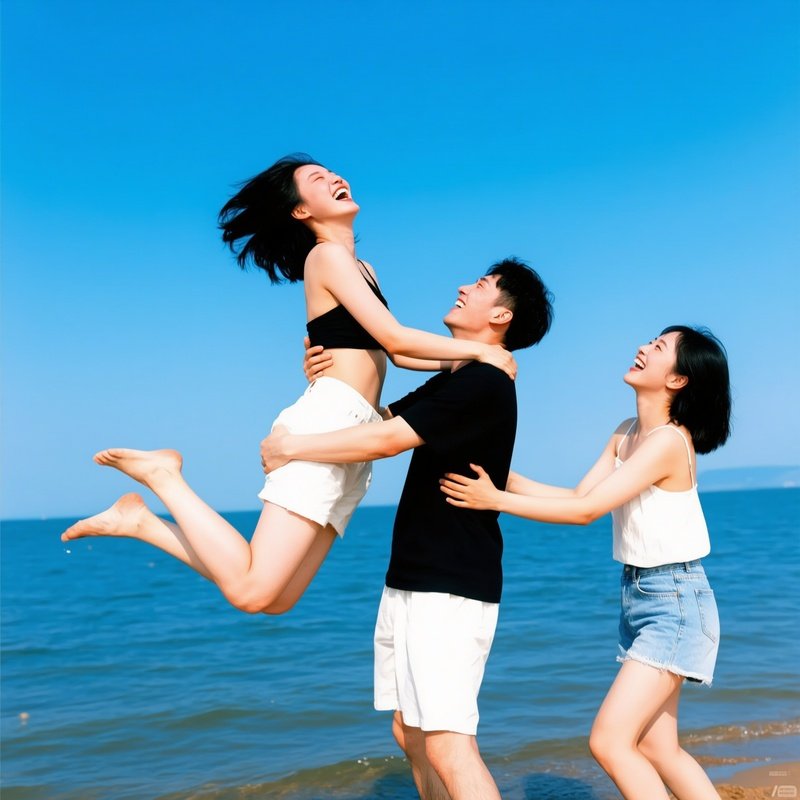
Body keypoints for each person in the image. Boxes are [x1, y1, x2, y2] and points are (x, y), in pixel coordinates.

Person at [61, 154, 516, 616]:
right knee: (251, 592)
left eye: (333, 172)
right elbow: (397, 338)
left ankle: (140, 521)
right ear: (301, 211)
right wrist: (482, 351)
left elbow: (397, 354)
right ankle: (164, 476)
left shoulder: (365, 268)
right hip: (328, 421)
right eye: (318, 179)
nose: (336, 178)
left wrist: (469, 364)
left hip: (351, 434)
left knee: (277, 599)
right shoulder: (325, 255)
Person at [261, 258, 554, 800]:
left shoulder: (486, 380)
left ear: (502, 315)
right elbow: (372, 420)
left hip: (451, 580)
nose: (464, 286)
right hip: (417, 575)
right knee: (411, 732)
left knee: (448, 744)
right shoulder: (458, 375)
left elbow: (387, 442)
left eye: (482, 285)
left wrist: (293, 446)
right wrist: (326, 377)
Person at [439, 326, 732, 800]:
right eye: (650, 341)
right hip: (643, 597)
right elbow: (579, 495)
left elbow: (585, 513)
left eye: (658, 348)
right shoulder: (627, 432)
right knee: (660, 749)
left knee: (610, 742)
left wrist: (494, 499)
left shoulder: (668, 442)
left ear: (678, 380)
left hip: (675, 601)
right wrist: (503, 478)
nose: (642, 346)